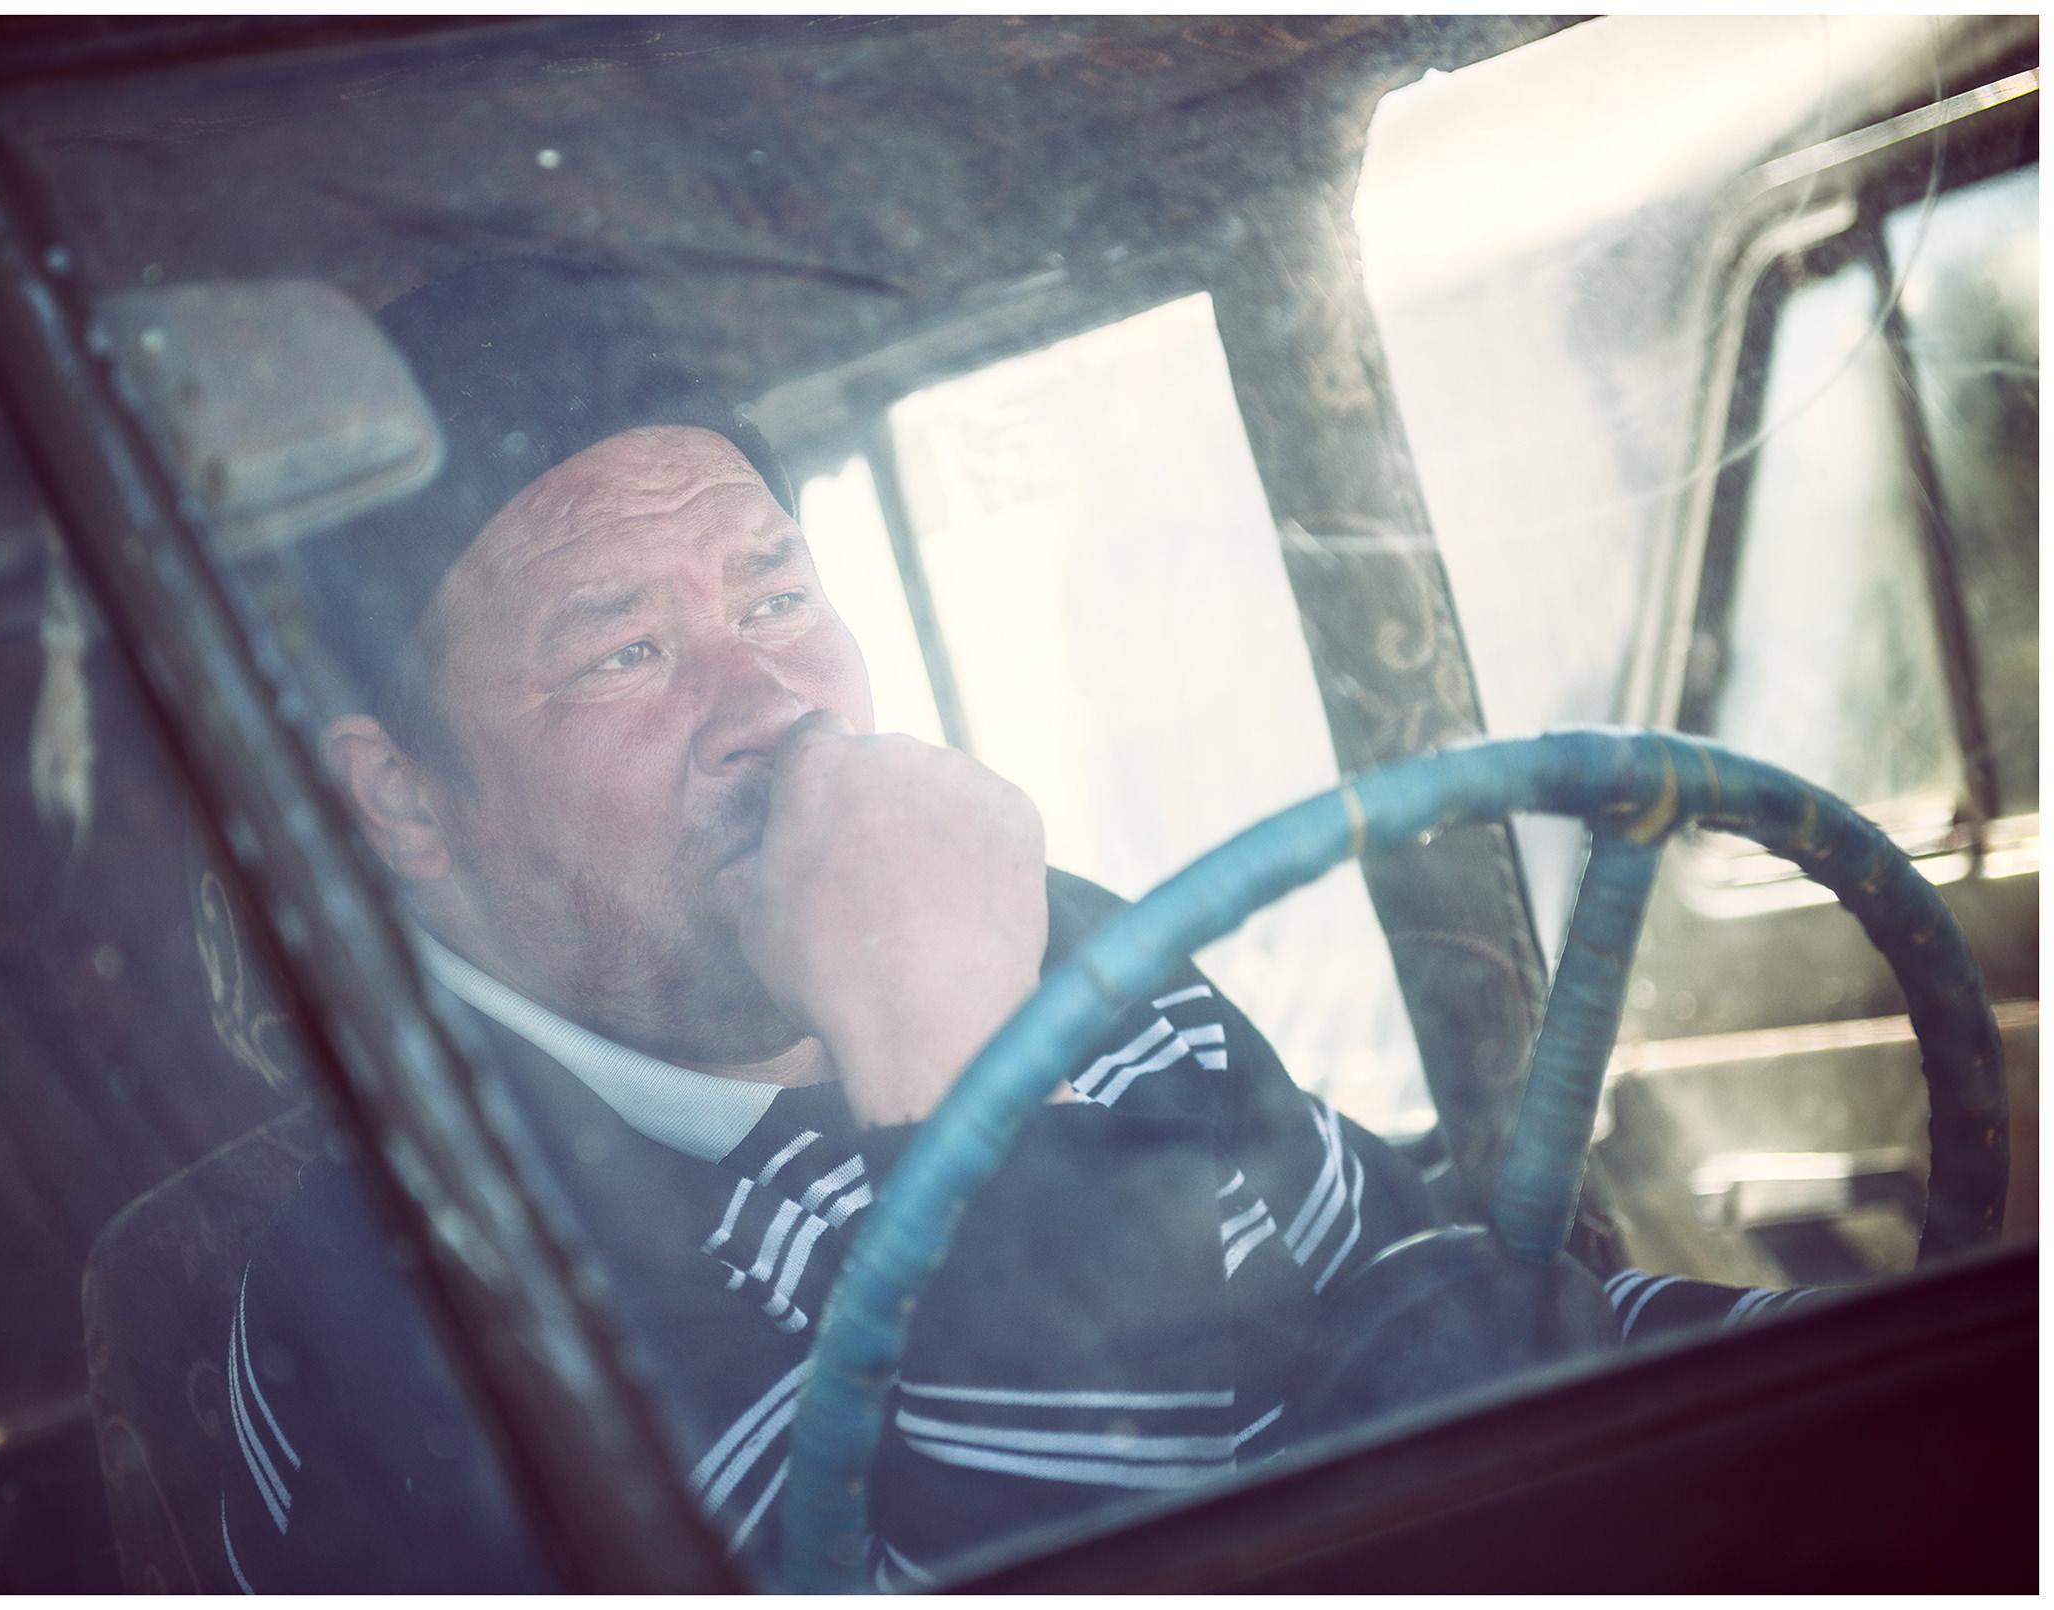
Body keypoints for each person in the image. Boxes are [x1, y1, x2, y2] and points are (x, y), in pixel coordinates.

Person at [217, 260, 1811, 1591]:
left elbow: (1430, 1314)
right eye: (627, 654)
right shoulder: (390, 1282)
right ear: (405, 803)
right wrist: (948, 1059)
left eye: (775, 598)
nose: (767, 705)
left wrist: (1839, 1382)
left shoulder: (1068, 947)